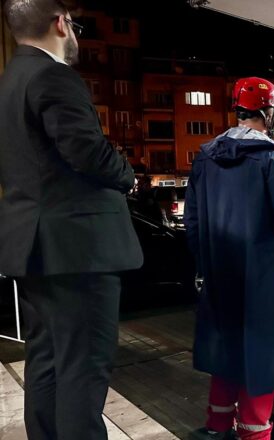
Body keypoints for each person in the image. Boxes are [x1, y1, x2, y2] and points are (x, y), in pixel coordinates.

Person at [0, 1, 143, 439]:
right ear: (61, 23)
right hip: (78, 247)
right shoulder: (54, 76)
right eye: (75, 25)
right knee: (83, 366)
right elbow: (86, 150)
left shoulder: (9, 83)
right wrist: (127, 176)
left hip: (34, 245)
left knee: (47, 360)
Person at [184, 77, 274, 440]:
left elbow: (193, 223)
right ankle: (255, 433)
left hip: (219, 276)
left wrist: (206, 266)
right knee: (261, 357)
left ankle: (216, 427)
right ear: (270, 112)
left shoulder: (205, 157)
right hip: (265, 281)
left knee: (226, 354)